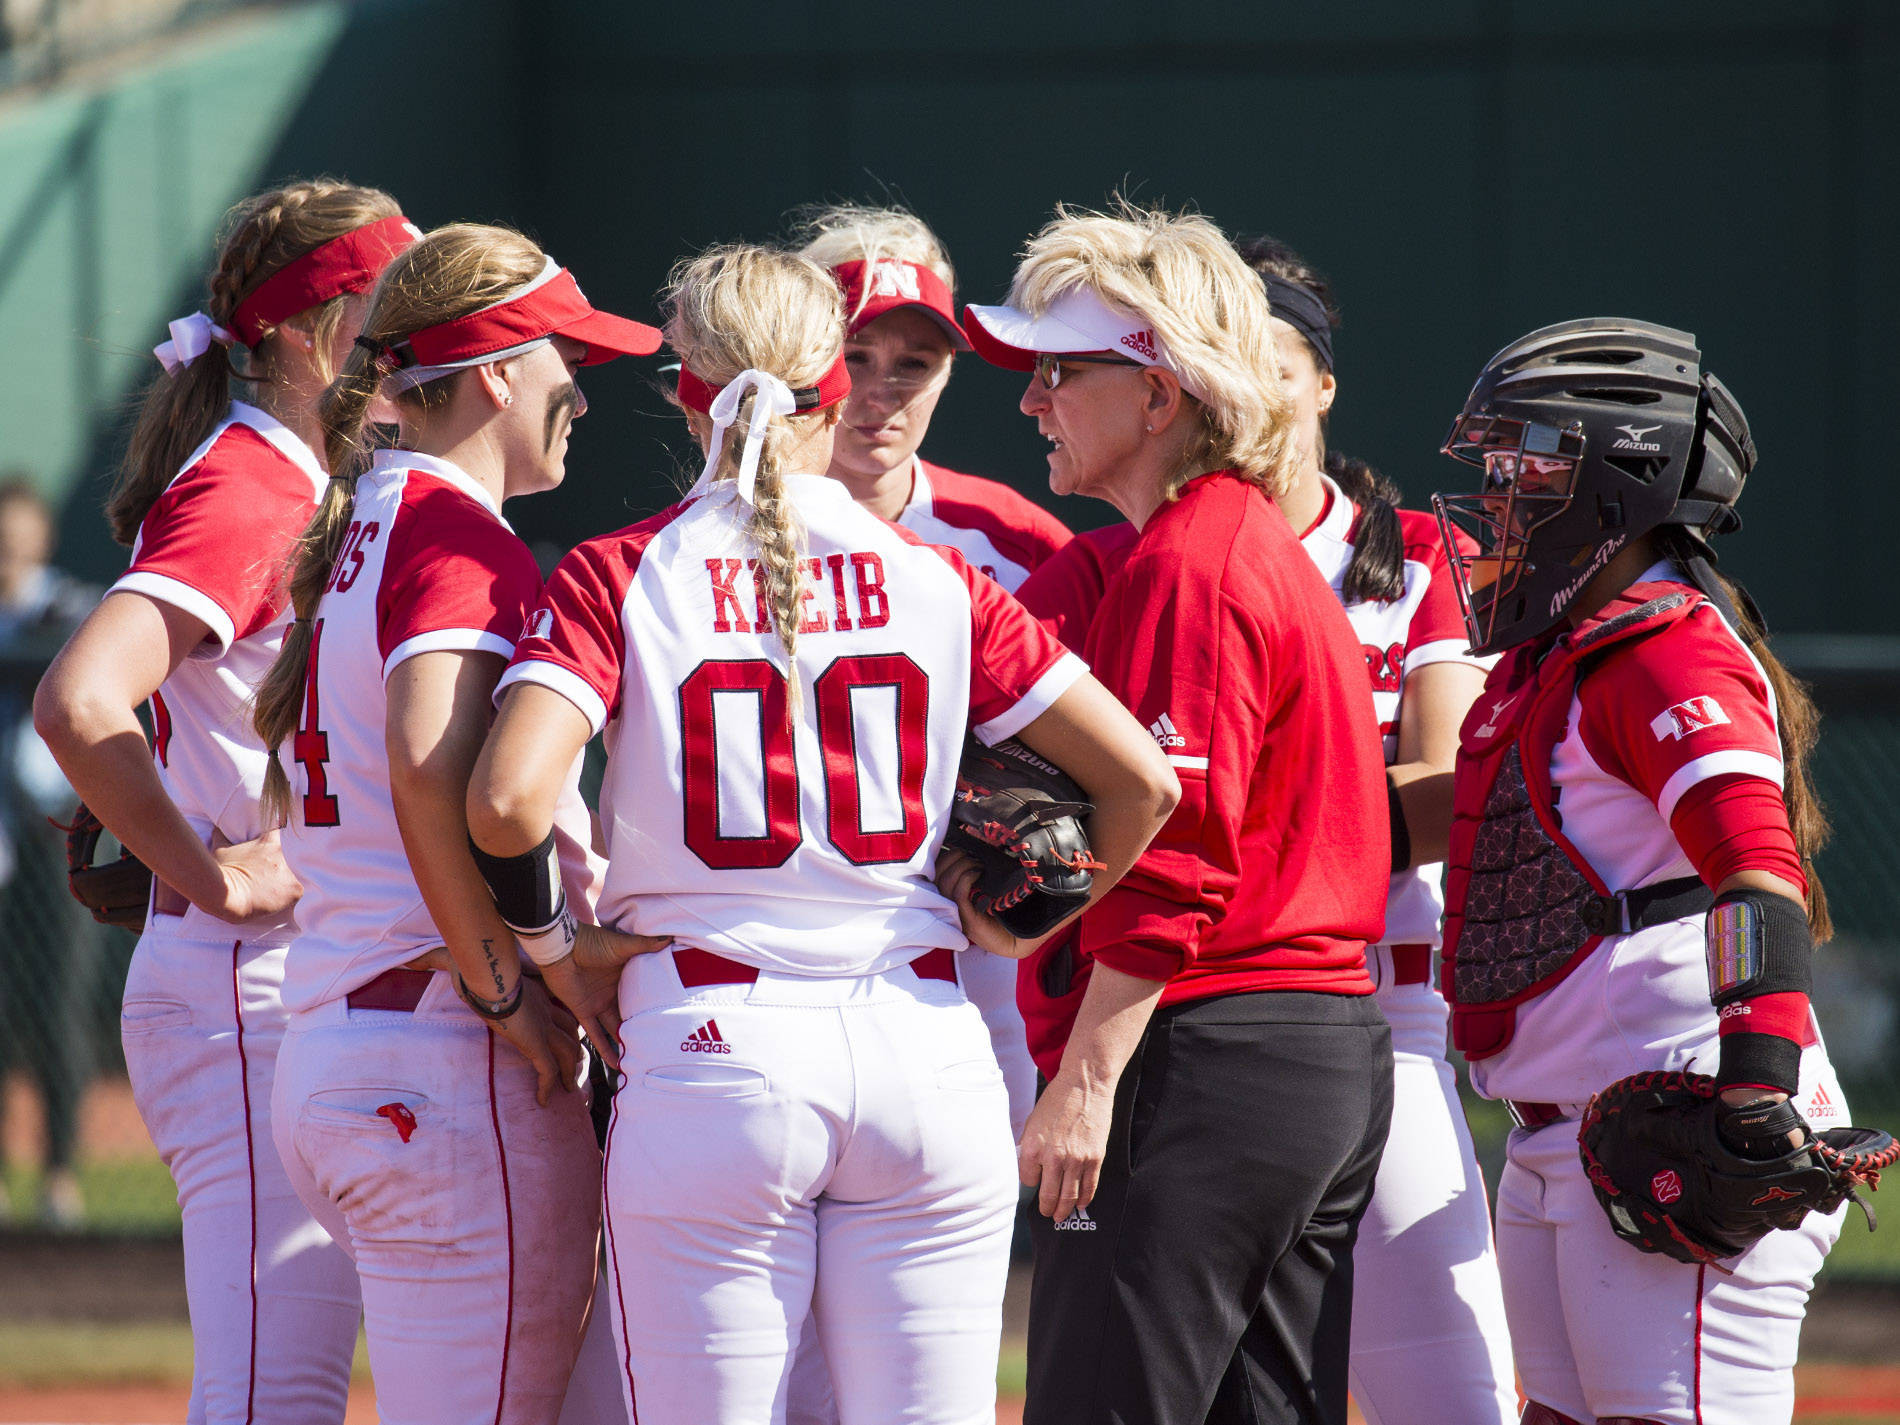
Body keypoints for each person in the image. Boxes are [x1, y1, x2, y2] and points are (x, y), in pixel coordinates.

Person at [464, 241, 1175, 1425]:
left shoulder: (622, 570)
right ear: (834, 390)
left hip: (713, 1046)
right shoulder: (941, 578)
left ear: (687, 391)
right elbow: (1142, 787)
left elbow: (504, 803)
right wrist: (1018, 922)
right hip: (924, 1044)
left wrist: (555, 954)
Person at [963, 202, 1393, 1425]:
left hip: (1206, 1054)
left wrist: (1086, 1078)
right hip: (1308, 1046)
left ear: (1160, 395)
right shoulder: (1240, 540)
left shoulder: (1187, 561)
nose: (1032, 401)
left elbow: (1177, 856)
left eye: (1060, 372)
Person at [249, 221, 665, 1425]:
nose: (578, 388)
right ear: (494, 375)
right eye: (565, 358)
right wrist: (507, 981)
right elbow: (430, 768)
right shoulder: (451, 531)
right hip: (439, 1056)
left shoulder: (370, 516)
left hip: (352, 1038)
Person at [33, 179, 416, 1423]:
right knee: (270, 1392)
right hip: (242, 982)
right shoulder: (250, 486)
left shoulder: (309, 476)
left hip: (294, 973)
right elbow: (78, 700)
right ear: (306, 334)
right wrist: (205, 873)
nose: (411, 332)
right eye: (384, 305)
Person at [1432, 318, 1851, 1425]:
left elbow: (1758, 874)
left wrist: (1752, 1092)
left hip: (1682, 1117)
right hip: (1566, 1131)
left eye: (1527, 463)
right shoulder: (1560, 653)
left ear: (1618, 483)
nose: (1497, 493)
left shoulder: (1664, 648)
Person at [795, 201, 1072, 1149]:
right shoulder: (712, 533)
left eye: (913, 363)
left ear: (949, 373)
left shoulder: (1018, 541)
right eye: (854, 355)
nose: (878, 392)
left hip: (970, 954)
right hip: (773, 951)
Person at [0, 475, 104, 1227]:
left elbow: (60, 666)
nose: (8, 552)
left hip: (55, 835)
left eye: (18, 538)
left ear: (41, 538)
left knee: (59, 1010)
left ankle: (60, 1175)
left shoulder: (69, 607)